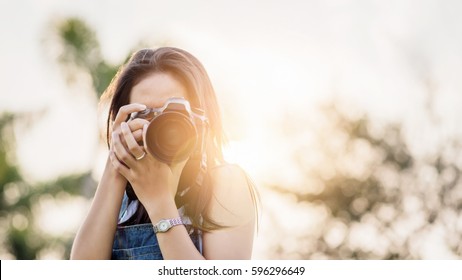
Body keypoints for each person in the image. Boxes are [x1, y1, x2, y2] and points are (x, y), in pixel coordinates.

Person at [70, 47, 258, 260]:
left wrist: (159, 201)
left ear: (202, 118)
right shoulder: (120, 193)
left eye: (172, 113)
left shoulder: (225, 183)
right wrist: (114, 167)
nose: (160, 126)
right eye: (144, 114)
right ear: (124, 121)